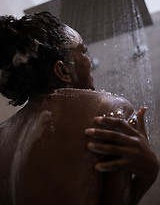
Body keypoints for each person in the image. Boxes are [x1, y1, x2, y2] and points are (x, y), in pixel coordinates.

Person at [0, 12, 159, 205]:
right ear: (63, 71)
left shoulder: (3, 134)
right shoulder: (108, 108)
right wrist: (147, 175)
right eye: (83, 52)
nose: (90, 60)